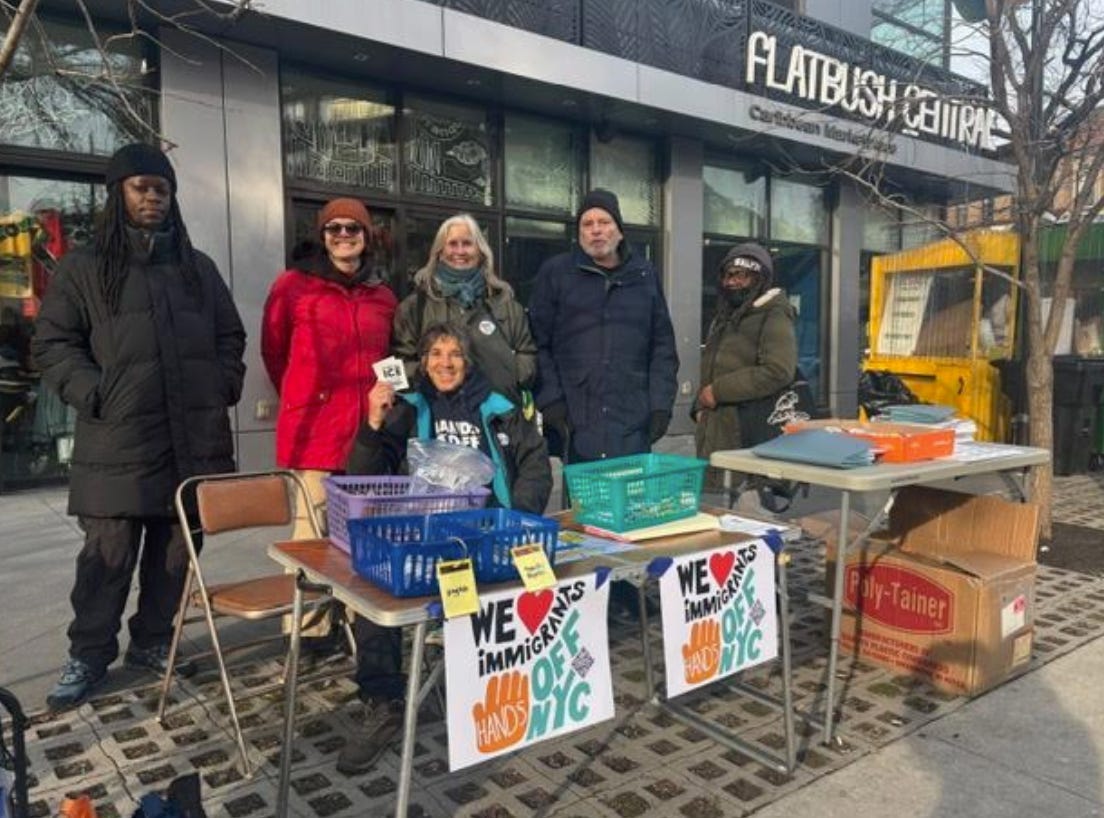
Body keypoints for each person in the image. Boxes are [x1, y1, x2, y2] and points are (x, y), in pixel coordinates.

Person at [32, 143, 247, 710]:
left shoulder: (198, 270)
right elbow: (52, 344)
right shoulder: (84, 268)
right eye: (140, 187)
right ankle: (89, 653)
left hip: (194, 442)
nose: (153, 197)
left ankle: (153, 642)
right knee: (107, 557)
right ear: (117, 194)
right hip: (118, 441)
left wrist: (223, 384)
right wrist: (95, 392)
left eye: (161, 189)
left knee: (177, 554)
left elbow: (231, 336)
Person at [338, 321, 551, 775]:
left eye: (454, 353)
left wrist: (515, 519)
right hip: (419, 540)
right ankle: (384, 702)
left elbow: (535, 464)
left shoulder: (499, 407)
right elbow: (362, 471)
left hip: (488, 537)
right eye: (435, 353)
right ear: (422, 361)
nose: (445, 363)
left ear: (468, 361)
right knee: (373, 592)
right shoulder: (406, 408)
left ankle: (491, 691)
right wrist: (373, 421)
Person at [261, 198, 397, 538]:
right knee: (311, 542)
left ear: (365, 235)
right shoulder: (292, 286)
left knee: (363, 540)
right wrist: (301, 393)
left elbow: (390, 357)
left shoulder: (383, 297)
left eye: (353, 228)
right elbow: (273, 351)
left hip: (366, 433)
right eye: (333, 228)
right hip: (315, 434)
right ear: (322, 235)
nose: (343, 234)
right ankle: (307, 594)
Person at [529, 188, 678, 463]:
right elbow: (538, 342)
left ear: (619, 230)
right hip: (575, 421)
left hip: (632, 421)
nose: (596, 230)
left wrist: (660, 405)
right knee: (584, 504)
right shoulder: (556, 273)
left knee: (631, 502)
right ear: (579, 234)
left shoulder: (644, 275)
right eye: (587, 224)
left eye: (604, 222)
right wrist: (551, 401)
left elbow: (663, 346)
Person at [391, 214, 536, 406]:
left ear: (480, 251)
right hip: (438, 418)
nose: (460, 251)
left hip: (498, 418)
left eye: (467, 243)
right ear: (440, 252)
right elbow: (398, 366)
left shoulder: (505, 304)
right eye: (452, 244)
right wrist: (438, 370)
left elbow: (527, 354)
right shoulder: (415, 307)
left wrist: (509, 377)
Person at [694, 242, 797, 496]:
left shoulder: (774, 315)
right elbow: (714, 366)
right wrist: (699, 407)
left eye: (743, 275)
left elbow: (778, 370)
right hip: (716, 432)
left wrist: (717, 392)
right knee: (716, 510)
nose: (733, 282)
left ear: (760, 278)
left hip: (748, 436)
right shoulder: (726, 315)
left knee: (745, 513)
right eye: (729, 274)